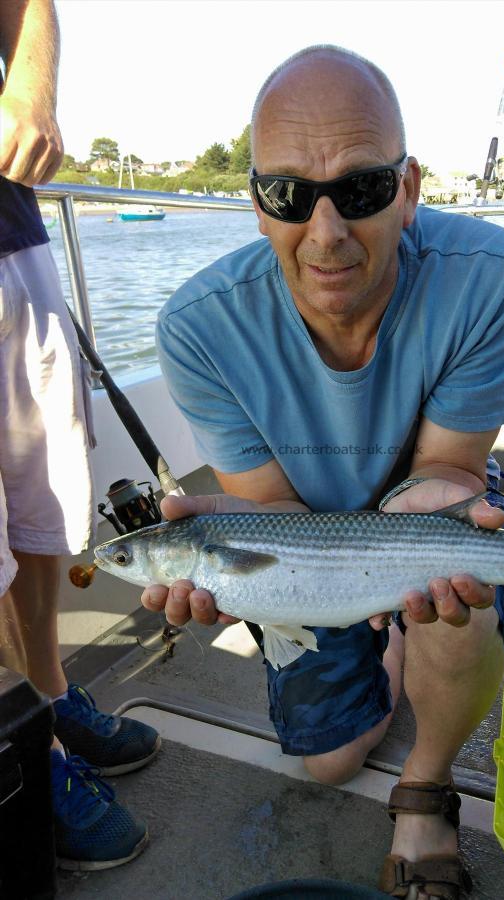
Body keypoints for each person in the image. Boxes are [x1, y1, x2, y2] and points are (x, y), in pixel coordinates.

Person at [143, 45, 504, 898]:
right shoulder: (197, 329)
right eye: (289, 195)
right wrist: (237, 560)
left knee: (456, 594)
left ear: (408, 190)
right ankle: (384, 633)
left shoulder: (495, 275)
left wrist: (427, 521)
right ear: (257, 206)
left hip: (428, 507)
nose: (325, 235)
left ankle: (425, 784)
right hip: (309, 539)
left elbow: (447, 466)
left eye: (359, 190)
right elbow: (271, 508)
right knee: (329, 762)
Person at [0, 0, 158, 870]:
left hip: (10, 238)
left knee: (40, 513)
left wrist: (28, 87)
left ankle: (47, 694)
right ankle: (24, 750)